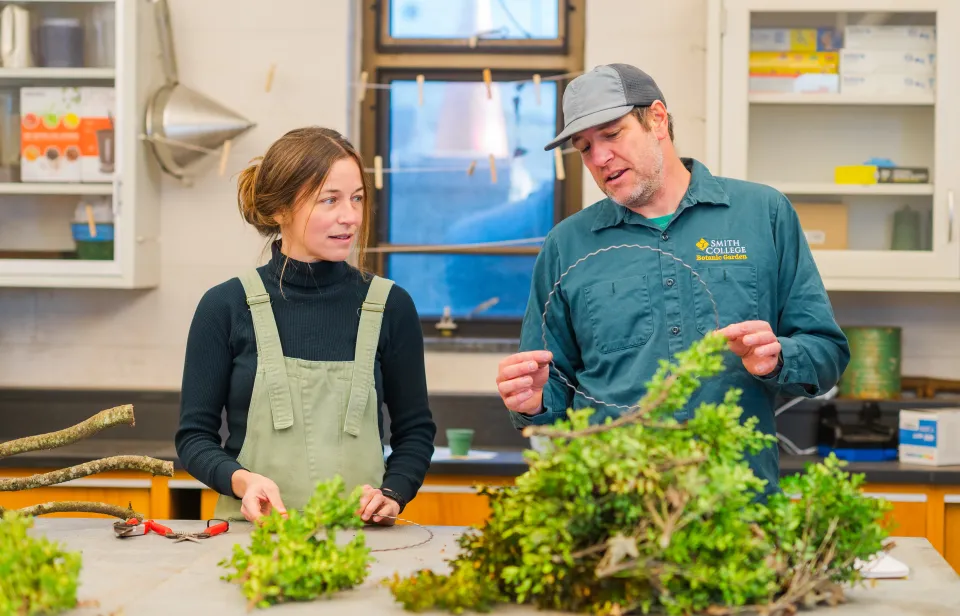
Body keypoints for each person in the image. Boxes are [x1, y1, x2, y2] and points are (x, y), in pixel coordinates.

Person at [495, 64, 850, 497]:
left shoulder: (764, 214)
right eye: (584, 147)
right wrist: (534, 403)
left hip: (736, 505)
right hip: (611, 508)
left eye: (611, 134)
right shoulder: (566, 245)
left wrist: (778, 359)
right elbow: (553, 386)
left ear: (657, 119)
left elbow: (826, 351)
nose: (599, 158)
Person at [175, 126, 436, 523]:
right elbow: (194, 438)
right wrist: (242, 481)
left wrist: (393, 492)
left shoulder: (390, 306)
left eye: (357, 199)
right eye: (328, 200)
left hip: (361, 545)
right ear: (280, 209)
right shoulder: (225, 306)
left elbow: (415, 430)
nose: (349, 217)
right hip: (251, 542)